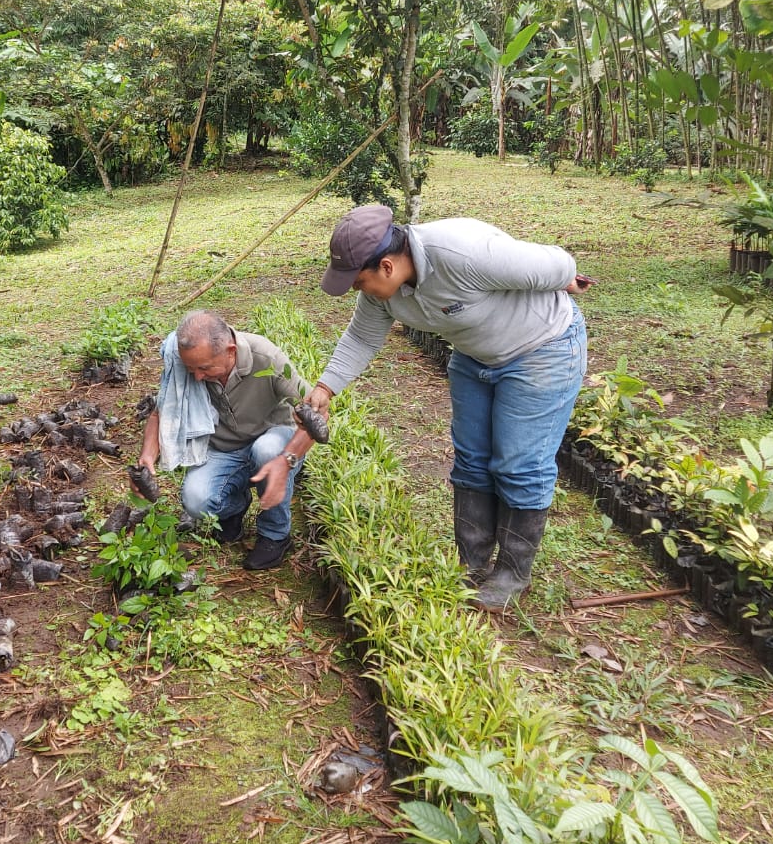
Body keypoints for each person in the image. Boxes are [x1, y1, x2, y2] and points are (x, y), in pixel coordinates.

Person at [306, 204, 589, 610]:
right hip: (474, 356)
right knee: (471, 460)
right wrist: (325, 388)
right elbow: (362, 338)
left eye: (358, 281)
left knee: (519, 464)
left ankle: (512, 574)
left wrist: (562, 279)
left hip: (542, 350)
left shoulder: (462, 253)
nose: (356, 290)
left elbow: (560, 263)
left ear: (386, 266)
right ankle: (471, 564)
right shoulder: (382, 293)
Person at [138, 310, 317, 571]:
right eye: (191, 369)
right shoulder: (182, 360)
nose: (197, 377)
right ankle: (235, 507)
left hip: (273, 438)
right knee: (196, 501)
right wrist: (147, 456)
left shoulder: (265, 357)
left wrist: (289, 458)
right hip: (224, 448)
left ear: (230, 351)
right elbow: (162, 410)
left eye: (204, 368)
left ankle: (275, 535)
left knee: (266, 450)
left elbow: (315, 413)